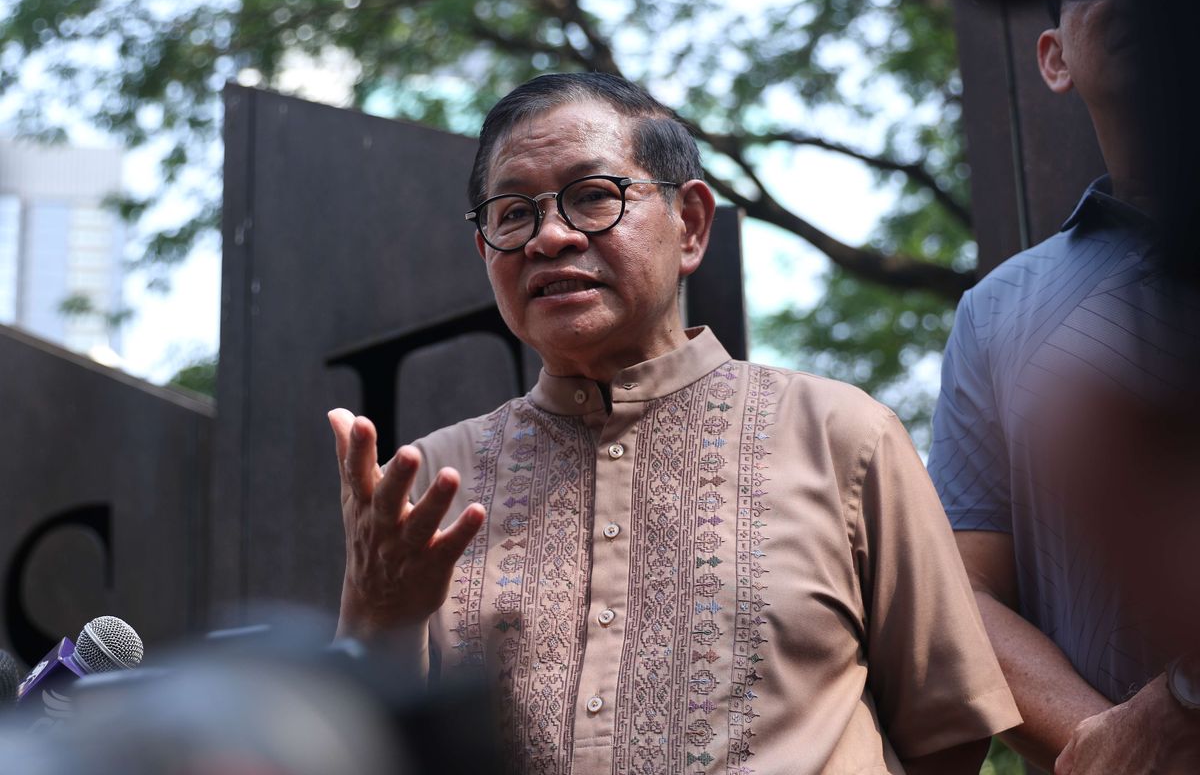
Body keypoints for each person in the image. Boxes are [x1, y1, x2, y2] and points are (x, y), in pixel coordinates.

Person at [329, 72, 1019, 774]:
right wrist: (379, 615)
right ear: (486, 252)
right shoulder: (430, 485)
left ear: (689, 224)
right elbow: (359, 752)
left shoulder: (843, 436)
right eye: (512, 213)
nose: (550, 237)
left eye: (592, 196)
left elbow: (948, 732)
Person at [928, 0, 1200, 774]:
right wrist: (1118, 745)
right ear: (1054, 59)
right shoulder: (994, 311)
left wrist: (1181, 706)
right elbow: (966, 594)